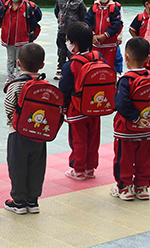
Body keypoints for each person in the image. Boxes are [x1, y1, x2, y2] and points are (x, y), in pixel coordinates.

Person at [111, 38, 150, 201]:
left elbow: (121, 103)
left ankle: (125, 187)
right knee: (144, 158)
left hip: (126, 129)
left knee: (124, 159)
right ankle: (142, 187)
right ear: (148, 58)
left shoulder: (126, 80)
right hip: (146, 129)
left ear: (127, 57)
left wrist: (135, 118)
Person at [3, 43, 49, 214]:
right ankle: (33, 200)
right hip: (39, 135)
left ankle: (19, 201)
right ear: (42, 65)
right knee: (37, 167)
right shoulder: (44, 84)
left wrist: (12, 121)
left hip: (18, 133)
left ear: (19, 64)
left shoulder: (15, 85)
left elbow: (9, 107)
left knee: (17, 166)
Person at [58, 22, 103, 180]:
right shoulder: (98, 57)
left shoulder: (72, 64)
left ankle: (78, 169)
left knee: (78, 140)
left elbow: (64, 89)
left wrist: (63, 108)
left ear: (74, 44)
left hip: (77, 109)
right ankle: (90, 168)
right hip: (96, 107)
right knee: (93, 139)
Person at [1, 0, 43, 78]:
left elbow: (36, 19)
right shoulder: (6, 6)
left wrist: (30, 35)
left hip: (22, 39)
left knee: (21, 60)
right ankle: (10, 77)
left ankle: (20, 76)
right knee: (10, 59)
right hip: (9, 40)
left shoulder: (28, 7)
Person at [84, 0, 123, 71]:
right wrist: (93, 35)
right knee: (94, 65)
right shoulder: (94, 7)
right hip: (96, 44)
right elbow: (87, 21)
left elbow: (116, 25)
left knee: (108, 66)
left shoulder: (114, 8)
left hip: (109, 45)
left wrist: (105, 35)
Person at [54, 0, 86, 80]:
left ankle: (72, 69)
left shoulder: (80, 3)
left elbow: (83, 17)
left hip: (72, 33)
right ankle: (60, 68)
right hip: (61, 31)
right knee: (61, 50)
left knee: (71, 51)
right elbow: (57, 11)